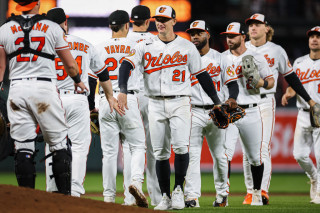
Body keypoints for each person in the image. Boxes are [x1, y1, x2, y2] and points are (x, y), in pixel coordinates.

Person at [118, 5, 222, 210]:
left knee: (182, 147)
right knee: (160, 152)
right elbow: (125, 65)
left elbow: (202, 75)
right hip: (155, 102)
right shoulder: (146, 45)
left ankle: (177, 191)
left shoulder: (186, 47)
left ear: (174, 21)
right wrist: (122, 89)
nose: (160, 22)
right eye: (158, 19)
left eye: (165, 19)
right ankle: (165, 196)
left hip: (181, 101)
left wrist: (216, 101)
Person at [0, 0, 87, 195]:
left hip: (17, 89)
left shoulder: (4, 29)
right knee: (59, 144)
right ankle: (63, 198)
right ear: (37, 3)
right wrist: (78, 81)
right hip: (44, 88)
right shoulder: (51, 27)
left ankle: (28, 200)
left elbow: (0, 68)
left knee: (23, 147)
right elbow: (71, 65)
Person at [241, 13, 318, 205]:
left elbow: (291, 77)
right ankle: (250, 191)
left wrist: (308, 100)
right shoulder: (242, 49)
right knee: (246, 152)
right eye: (250, 25)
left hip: (265, 101)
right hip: (244, 102)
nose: (253, 28)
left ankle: (263, 190)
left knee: (263, 148)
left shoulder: (276, 50)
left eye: (257, 24)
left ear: (266, 28)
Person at [44, 7, 121, 197]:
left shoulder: (42, 46)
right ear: (65, 22)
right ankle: (75, 190)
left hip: (52, 98)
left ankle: (53, 189)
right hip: (77, 98)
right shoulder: (84, 44)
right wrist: (110, 96)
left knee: (52, 144)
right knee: (79, 146)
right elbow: (102, 73)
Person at [95, 10, 148, 208]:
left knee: (108, 153)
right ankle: (132, 190)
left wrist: (95, 106)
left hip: (105, 99)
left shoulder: (99, 47)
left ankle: (108, 198)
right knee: (136, 147)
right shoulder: (136, 45)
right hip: (128, 98)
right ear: (127, 25)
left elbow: (94, 79)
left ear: (110, 26)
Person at [184, 20, 239, 208]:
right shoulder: (184, 57)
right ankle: (191, 196)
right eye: (192, 33)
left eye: (199, 33)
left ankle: (222, 194)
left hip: (217, 111)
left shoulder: (221, 58)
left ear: (208, 35)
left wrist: (232, 98)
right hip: (193, 111)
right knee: (192, 156)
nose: (195, 36)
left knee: (221, 157)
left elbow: (233, 84)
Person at [221, 22, 275, 206]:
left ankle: (257, 193)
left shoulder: (257, 57)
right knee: (224, 154)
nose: (229, 39)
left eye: (233, 35)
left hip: (252, 109)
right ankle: (222, 196)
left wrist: (260, 82)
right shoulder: (222, 58)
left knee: (255, 156)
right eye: (227, 36)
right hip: (230, 111)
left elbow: (271, 82)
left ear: (242, 37)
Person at [122, 5, 162, 206]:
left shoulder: (121, 42)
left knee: (131, 147)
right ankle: (157, 198)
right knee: (154, 148)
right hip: (152, 97)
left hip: (128, 96)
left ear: (131, 21)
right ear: (149, 21)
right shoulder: (156, 40)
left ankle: (129, 198)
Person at [282, 26, 320, 204]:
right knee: (299, 155)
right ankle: (313, 176)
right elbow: (294, 85)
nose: (314, 39)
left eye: (318, 37)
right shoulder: (299, 62)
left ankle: (319, 193)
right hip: (304, 113)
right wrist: (289, 92)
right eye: (312, 36)